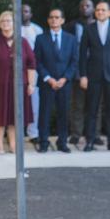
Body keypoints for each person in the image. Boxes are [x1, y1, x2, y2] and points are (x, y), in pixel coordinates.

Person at [0, 11, 37, 154]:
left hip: (19, 86)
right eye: (3, 21)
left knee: (15, 116)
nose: (6, 23)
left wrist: (31, 84)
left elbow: (31, 64)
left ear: (14, 23)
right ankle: (0, 145)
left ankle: (13, 145)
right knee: (0, 116)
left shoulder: (22, 42)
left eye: (9, 20)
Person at [79, 1, 110, 152]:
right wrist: (83, 75)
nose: (100, 12)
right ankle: (90, 142)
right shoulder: (88, 29)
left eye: (103, 10)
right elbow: (82, 55)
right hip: (93, 75)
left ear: (109, 13)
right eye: (98, 10)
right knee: (92, 110)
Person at [34, 8, 77, 153]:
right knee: (44, 114)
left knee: (63, 114)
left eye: (57, 17)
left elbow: (74, 61)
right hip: (47, 83)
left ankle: (62, 142)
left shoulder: (71, 39)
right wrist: (48, 78)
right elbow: (37, 61)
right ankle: (44, 142)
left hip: (64, 83)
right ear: (48, 20)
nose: (54, 20)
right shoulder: (40, 38)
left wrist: (65, 78)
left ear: (62, 20)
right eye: (51, 17)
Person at [65, 0, 97, 146]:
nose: (85, 8)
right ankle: (76, 133)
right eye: (82, 5)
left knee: (96, 104)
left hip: (97, 71)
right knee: (77, 104)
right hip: (77, 71)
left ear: (94, 8)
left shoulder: (100, 25)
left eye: (88, 5)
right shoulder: (71, 26)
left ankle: (94, 134)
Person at [20, 4, 43, 142]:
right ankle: (17, 132)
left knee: (34, 102)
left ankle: (33, 133)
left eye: (26, 11)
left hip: (33, 70)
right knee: (16, 102)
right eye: (21, 11)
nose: (24, 13)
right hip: (15, 70)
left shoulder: (37, 30)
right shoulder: (13, 28)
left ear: (31, 14)